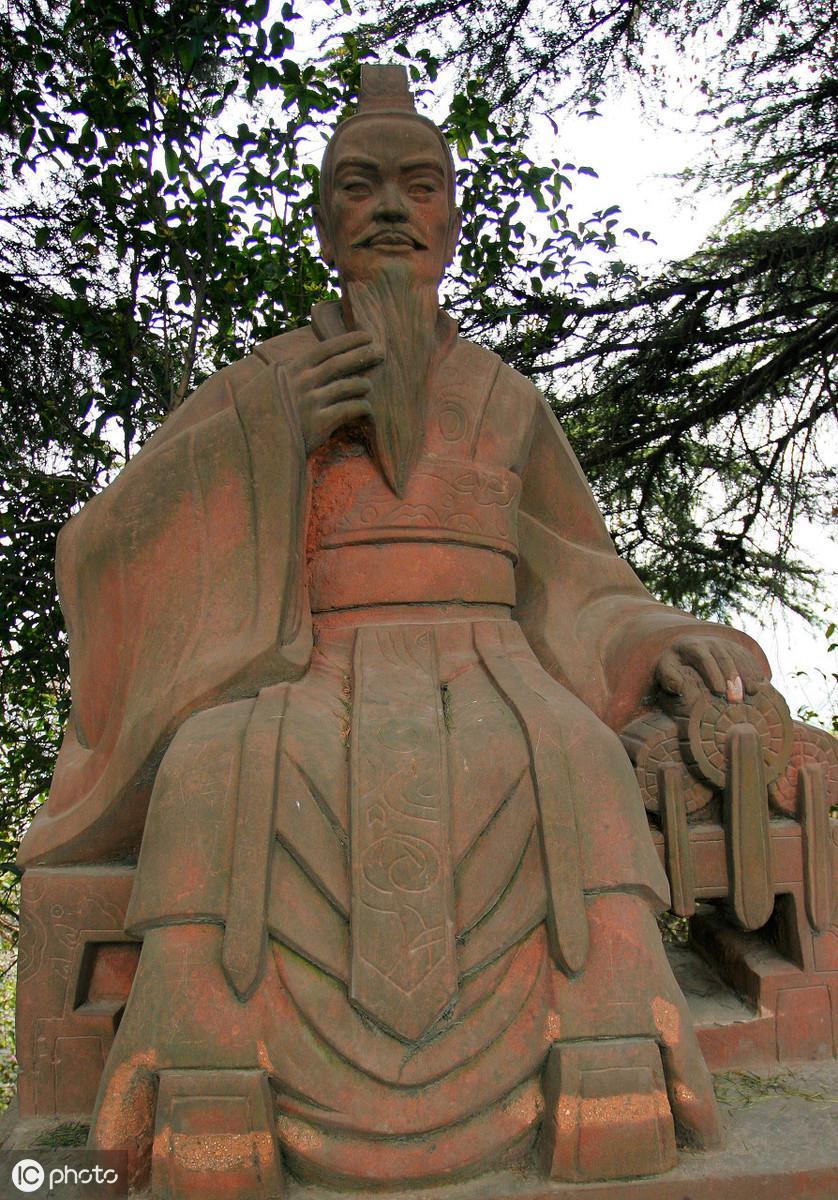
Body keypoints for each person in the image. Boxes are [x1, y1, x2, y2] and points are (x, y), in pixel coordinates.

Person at [19, 65, 771, 1194]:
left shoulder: (505, 399)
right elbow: (103, 545)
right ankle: (209, 1074)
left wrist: (657, 638)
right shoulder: (265, 381)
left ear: (451, 222)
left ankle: (605, 1058)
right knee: (216, 764)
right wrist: (264, 438)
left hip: (493, 662)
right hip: (307, 665)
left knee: (576, 757)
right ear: (323, 223)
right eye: (359, 186)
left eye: (419, 187)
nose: (388, 208)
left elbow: (572, 574)